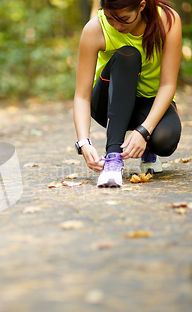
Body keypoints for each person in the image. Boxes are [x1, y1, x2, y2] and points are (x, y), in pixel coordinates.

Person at [73, 0, 182, 187]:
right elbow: (82, 96)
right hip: (108, 104)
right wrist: (83, 142)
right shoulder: (95, 29)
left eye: (124, 19)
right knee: (128, 56)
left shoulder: (168, 20)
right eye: (109, 18)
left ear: (141, 6)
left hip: (150, 103)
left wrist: (144, 132)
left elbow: (167, 85)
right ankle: (112, 160)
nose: (116, 26)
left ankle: (147, 147)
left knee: (165, 140)